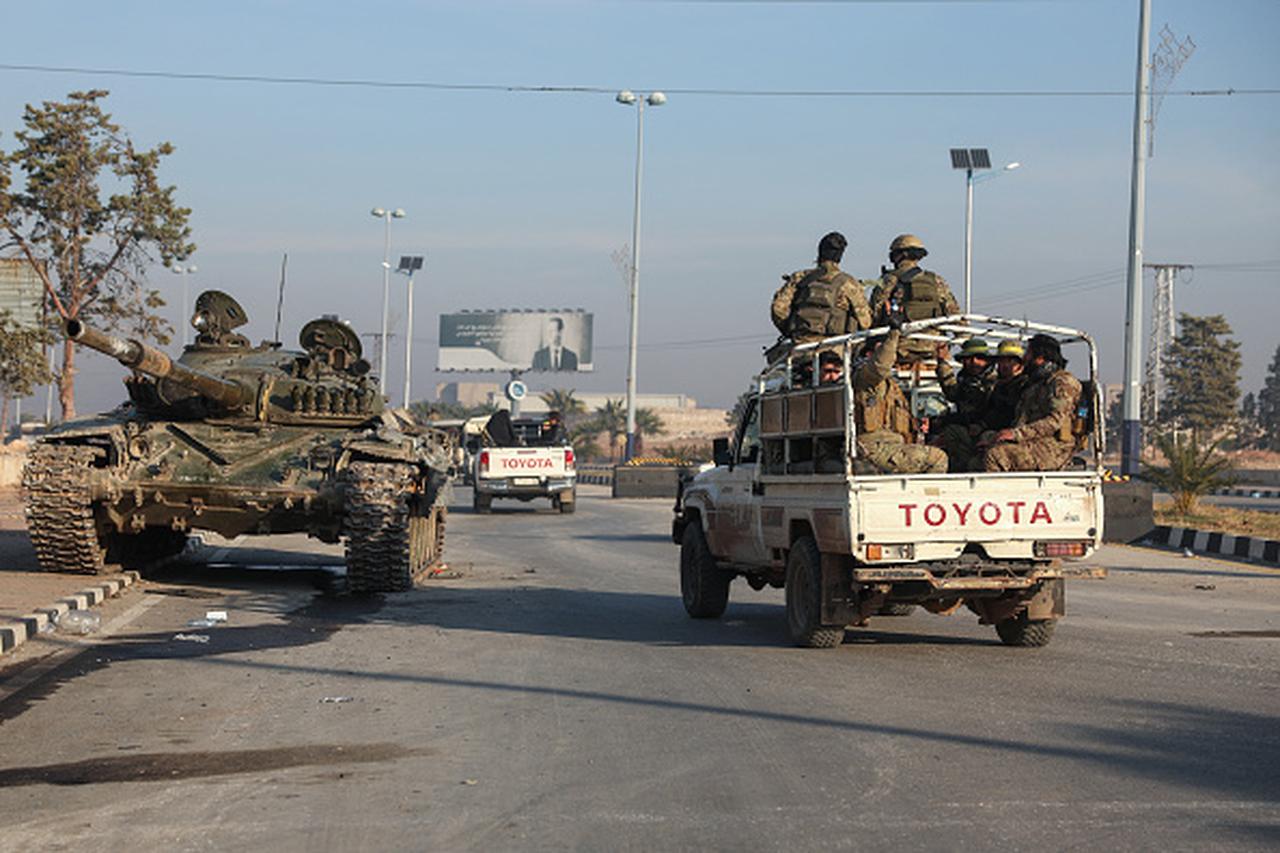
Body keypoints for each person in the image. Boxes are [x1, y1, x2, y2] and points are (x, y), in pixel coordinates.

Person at [851, 323, 948, 474]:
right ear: (869, 355)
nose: (892, 356)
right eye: (882, 349)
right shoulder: (865, 378)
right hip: (873, 448)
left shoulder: (893, 388)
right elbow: (880, 366)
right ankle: (925, 497)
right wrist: (894, 334)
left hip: (893, 446)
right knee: (937, 458)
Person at [981, 334, 1082, 472]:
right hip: (1034, 440)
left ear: (1040, 358)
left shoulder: (1062, 382)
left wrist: (1016, 434)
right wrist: (998, 437)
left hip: (1053, 448)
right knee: (985, 443)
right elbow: (1022, 419)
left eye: (1028, 353)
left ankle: (999, 493)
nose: (1024, 358)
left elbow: (1055, 421)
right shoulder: (1036, 385)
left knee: (997, 455)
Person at [868, 234, 961, 362]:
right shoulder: (936, 281)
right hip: (933, 350)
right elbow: (956, 316)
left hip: (899, 351)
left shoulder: (888, 281)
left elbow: (873, 315)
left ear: (901, 255)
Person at [770, 232, 872, 347]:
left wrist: (791, 330)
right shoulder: (848, 283)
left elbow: (778, 310)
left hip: (800, 346)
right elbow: (866, 322)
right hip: (835, 350)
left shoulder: (799, 278)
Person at [931, 338, 996, 472]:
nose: (974, 362)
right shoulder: (966, 381)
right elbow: (953, 393)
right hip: (970, 431)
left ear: (987, 360)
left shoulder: (994, 382)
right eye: (969, 358)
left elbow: (997, 410)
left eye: (979, 358)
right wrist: (942, 363)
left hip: (990, 432)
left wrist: (982, 425)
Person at [982, 340, 1029, 431]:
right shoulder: (998, 385)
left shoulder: (1024, 385)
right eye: (1002, 360)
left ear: (1020, 364)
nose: (1005, 365)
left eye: (1011, 361)